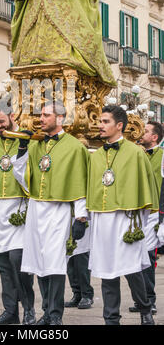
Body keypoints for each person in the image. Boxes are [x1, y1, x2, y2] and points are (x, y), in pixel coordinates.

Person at [12, 102, 89, 325]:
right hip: (36, 208)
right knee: (38, 262)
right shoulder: (36, 145)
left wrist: (80, 217)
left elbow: (80, 182)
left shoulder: (74, 147)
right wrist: (23, 149)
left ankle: (55, 315)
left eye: (46, 115)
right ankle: (46, 312)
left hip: (59, 210)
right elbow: (22, 177)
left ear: (61, 119)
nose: (41, 119)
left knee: (55, 263)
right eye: (40, 115)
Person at [87, 106, 159, 325]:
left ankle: (145, 310)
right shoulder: (96, 156)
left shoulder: (136, 152)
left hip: (126, 219)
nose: (100, 125)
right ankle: (111, 318)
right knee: (107, 272)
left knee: (132, 269)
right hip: (102, 220)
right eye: (100, 121)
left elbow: (147, 186)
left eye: (105, 121)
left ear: (119, 125)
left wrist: (143, 222)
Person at [0, 107, 35, 325]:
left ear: (12, 117)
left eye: (2, 121)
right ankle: (10, 311)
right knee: (4, 265)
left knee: (19, 261)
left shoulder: (27, 139)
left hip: (20, 208)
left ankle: (29, 308)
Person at [129, 122, 163, 315]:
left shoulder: (163, 156)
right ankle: (140, 299)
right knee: (133, 258)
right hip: (135, 213)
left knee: (148, 258)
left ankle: (150, 300)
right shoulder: (136, 153)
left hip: (153, 213)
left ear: (155, 137)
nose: (141, 133)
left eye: (146, 131)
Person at [65, 221, 94, 309]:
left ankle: (86, 295)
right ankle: (77, 294)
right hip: (66, 220)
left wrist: (80, 219)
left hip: (80, 220)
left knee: (81, 258)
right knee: (70, 259)